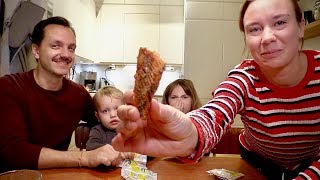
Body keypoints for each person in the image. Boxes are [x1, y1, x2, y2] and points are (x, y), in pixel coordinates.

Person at [112, 0, 320, 179]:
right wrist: (191, 134)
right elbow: (216, 112)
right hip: (255, 165)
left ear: (301, 26)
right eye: (254, 29)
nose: (267, 37)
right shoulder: (244, 77)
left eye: (280, 22)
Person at [0, 16, 128, 172]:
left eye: (71, 48)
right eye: (56, 46)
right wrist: (84, 157)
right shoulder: (9, 87)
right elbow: (14, 152)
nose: (66, 54)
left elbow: (102, 120)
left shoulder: (78, 94)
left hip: (57, 174)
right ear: (36, 50)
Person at [86, 86, 133, 163]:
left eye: (117, 108)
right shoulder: (98, 131)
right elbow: (90, 147)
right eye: (105, 111)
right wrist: (116, 151)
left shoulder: (131, 128)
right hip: (106, 173)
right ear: (98, 116)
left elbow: (150, 152)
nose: (112, 114)